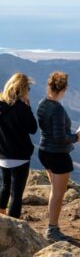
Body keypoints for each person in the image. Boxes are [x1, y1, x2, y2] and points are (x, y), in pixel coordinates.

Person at [37, 71, 80, 242]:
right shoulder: (57, 109)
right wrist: (76, 137)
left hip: (44, 152)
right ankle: (52, 230)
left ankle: (52, 226)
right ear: (64, 88)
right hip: (58, 155)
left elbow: (48, 131)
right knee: (58, 194)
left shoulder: (42, 103)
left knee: (54, 192)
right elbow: (59, 136)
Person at [0, 73, 37, 218]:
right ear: (22, 89)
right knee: (16, 194)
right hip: (20, 156)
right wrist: (28, 108)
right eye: (28, 87)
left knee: (4, 187)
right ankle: (13, 226)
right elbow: (33, 129)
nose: (28, 90)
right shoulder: (22, 107)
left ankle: (1, 221)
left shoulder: (1, 106)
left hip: (2, 155)